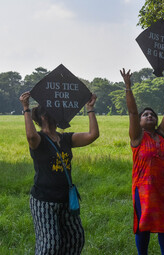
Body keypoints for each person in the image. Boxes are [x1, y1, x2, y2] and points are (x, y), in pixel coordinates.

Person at [19, 91, 99, 255]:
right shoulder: (39, 140)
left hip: (66, 200)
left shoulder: (66, 139)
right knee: (50, 245)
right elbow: (30, 136)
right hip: (44, 201)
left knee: (75, 239)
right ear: (44, 116)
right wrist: (26, 108)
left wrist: (90, 109)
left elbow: (93, 135)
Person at [120, 68, 164, 255]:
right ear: (139, 122)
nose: (149, 116)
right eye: (145, 115)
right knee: (143, 225)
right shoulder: (137, 138)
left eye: (152, 115)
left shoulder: (162, 135)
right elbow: (132, 112)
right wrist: (128, 87)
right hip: (143, 190)